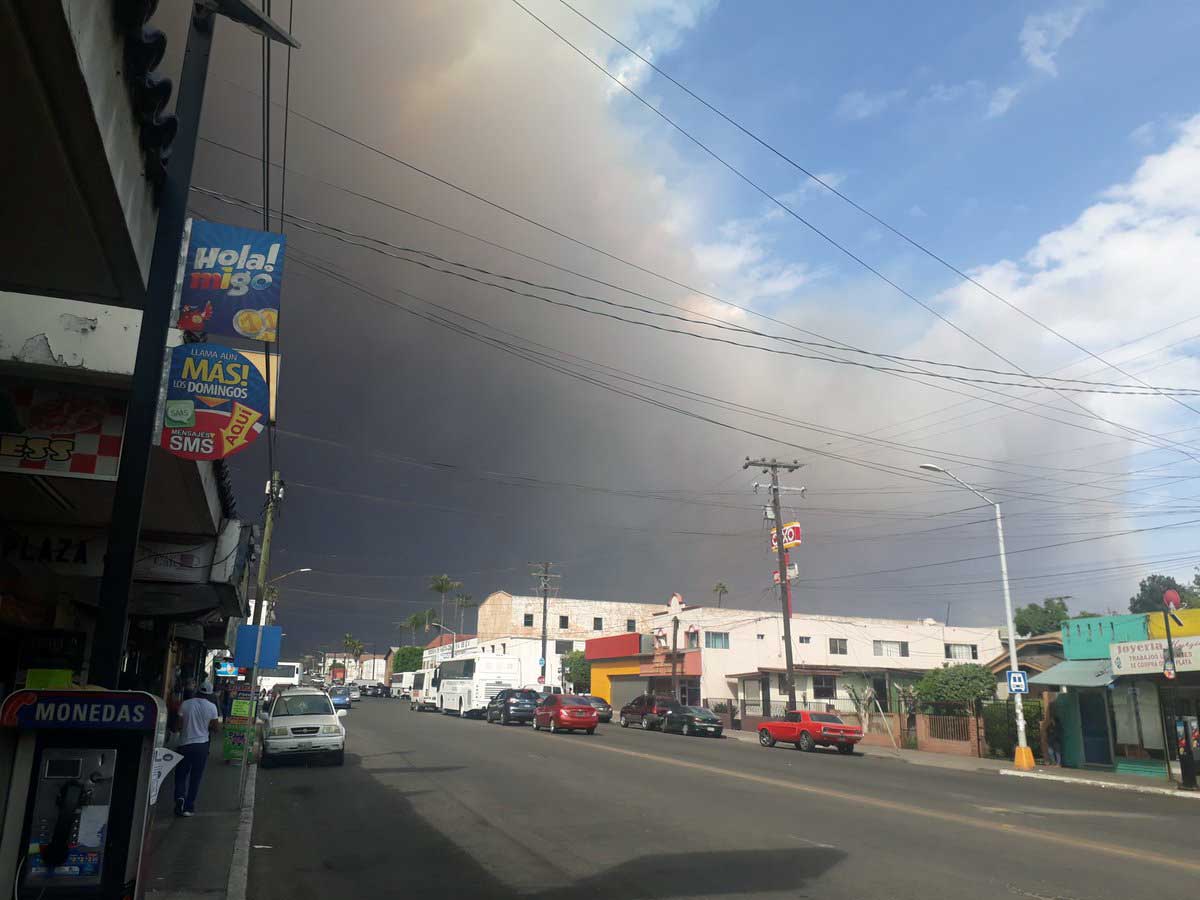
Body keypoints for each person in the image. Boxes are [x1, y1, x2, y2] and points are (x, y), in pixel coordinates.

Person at [174, 687, 222, 817]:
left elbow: (178, 726)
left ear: (197, 692)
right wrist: (208, 726)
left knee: (180, 774)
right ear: (209, 694)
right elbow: (216, 728)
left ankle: (179, 797)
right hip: (201, 746)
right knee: (196, 777)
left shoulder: (186, 704)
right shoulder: (212, 707)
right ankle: (189, 807)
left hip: (184, 744)